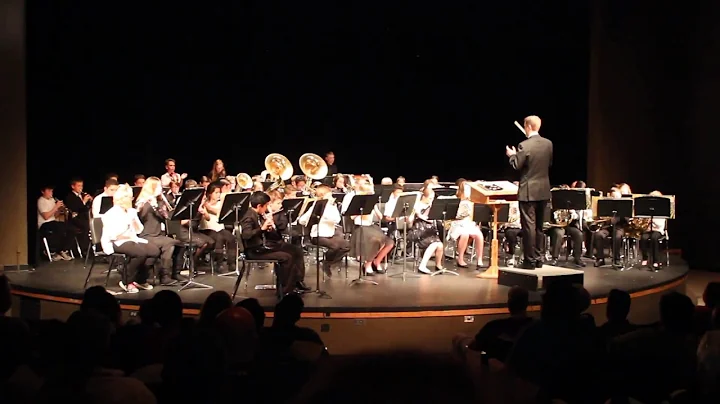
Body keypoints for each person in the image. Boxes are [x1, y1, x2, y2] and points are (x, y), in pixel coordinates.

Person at [506, 115, 553, 269]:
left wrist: (512, 155)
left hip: (528, 191)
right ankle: (539, 259)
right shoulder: (548, 144)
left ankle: (529, 261)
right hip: (544, 190)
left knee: (528, 227)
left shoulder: (523, 145)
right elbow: (549, 164)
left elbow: (516, 165)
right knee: (539, 227)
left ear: (527, 126)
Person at [241, 191, 309, 294]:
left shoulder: (257, 214)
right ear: (259, 206)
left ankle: (296, 283)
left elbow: (261, 232)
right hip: (254, 251)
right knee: (286, 257)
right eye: (266, 205)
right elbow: (246, 235)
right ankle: (285, 290)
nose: (267, 208)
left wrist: (269, 228)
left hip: (260, 247)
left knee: (295, 250)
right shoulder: (249, 216)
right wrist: (262, 228)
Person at [101, 184, 160, 293]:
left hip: (132, 239)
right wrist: (129, 221)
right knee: (140, 253)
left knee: (154, 251)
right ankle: (126, 281)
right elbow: (114, 234)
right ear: (122, 199)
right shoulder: (111, 213)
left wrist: (134, 218)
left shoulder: (130, 211)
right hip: (117, 241)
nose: (131, 200)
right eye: (129, 197)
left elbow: (139, 230)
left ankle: (140, 279)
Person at [298, 185, 350, 277]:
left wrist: (329, 210)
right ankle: (327, 262)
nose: (332, 197)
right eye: (329, 195)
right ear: (322, 196)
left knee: (347, 246)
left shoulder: (331, 206)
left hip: (330, 234)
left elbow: (337, 219)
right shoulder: (315, 206)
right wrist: (310, 219)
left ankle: (327, 262)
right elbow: (302, 220)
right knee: (335, 246)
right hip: (317, 235)